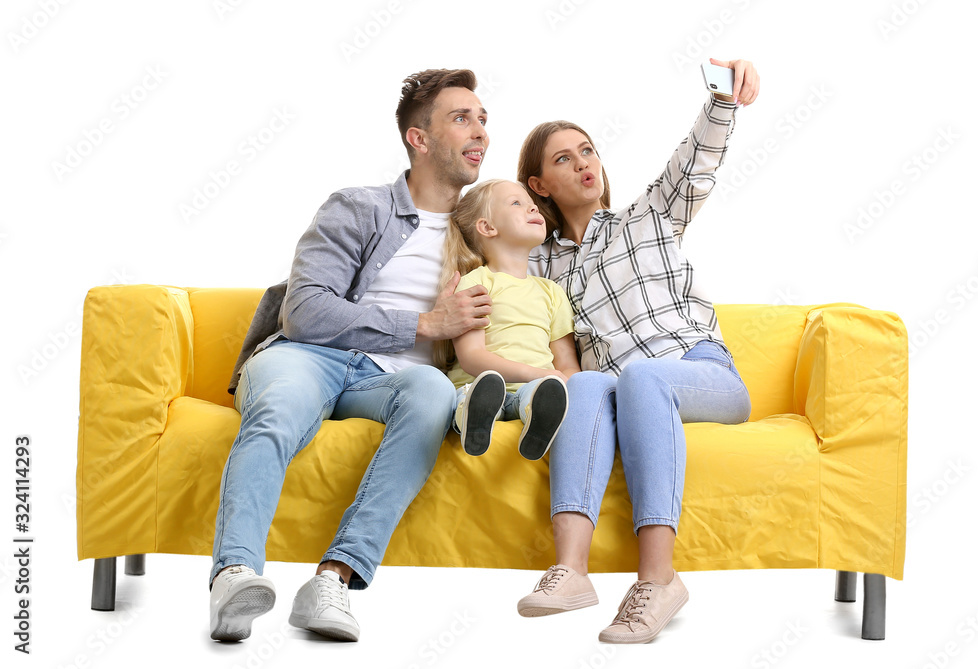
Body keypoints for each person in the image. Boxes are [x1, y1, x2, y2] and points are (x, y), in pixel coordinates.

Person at [209, 68, 494, 643]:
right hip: (309, 355)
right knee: (281, 406)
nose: (481, 131)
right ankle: (234, 576)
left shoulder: (482, 230)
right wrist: (422, 324)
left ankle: (333, 580)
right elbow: (307, 312)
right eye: (462, 117)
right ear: (419, 138)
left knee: (435, 391)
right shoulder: (358, 207)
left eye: (484, 119)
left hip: (392, 381)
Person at [514, 58, 761, 644]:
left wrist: (723, 99)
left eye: (589, 150)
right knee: (589, 383)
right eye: (563, 158)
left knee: (641, 376)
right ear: (538, 186)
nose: (584, 163)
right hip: (626, 395)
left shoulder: (646, 219)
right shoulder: (540, 267)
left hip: (702, 373)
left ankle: (658, 580)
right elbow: (484, 248)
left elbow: (695, 163)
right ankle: (572, 570)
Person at [434, 179, 581, 460]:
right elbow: (472, 358)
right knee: (478, 392)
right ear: (488, 227)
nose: (533, 208)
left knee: (539, 395)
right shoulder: (475, 283)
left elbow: (565, 364)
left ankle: (539, 425)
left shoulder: (552, 292)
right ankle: (473, 419)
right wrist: (539, 374)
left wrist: (561, 383)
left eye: (533, 205)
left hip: (532, 387)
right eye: (517, 203)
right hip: (479, 382)